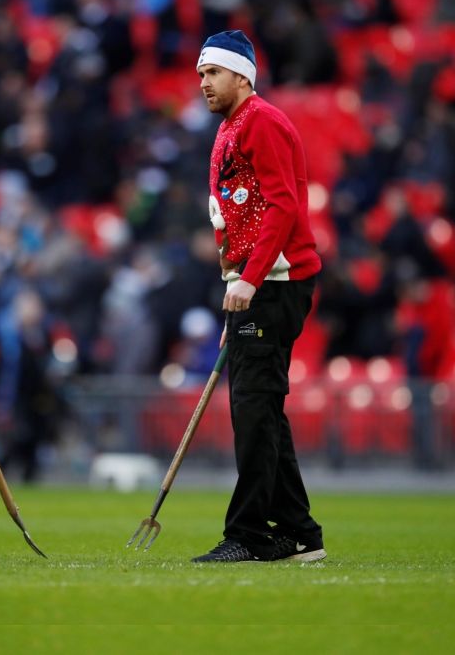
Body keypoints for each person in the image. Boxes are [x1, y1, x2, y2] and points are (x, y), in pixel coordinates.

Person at [192, 31, 326, 563]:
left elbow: (281, 205)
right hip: (255, 284)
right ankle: (298, 533)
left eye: (213, 73)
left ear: (242, 75)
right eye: (200, 74)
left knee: (253, 409)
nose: (203, 82)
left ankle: (248, 534)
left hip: (273, 280)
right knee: (262, 408)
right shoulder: (233, 126)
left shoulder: (262, 121)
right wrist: (238, 285)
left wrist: (249, 278)